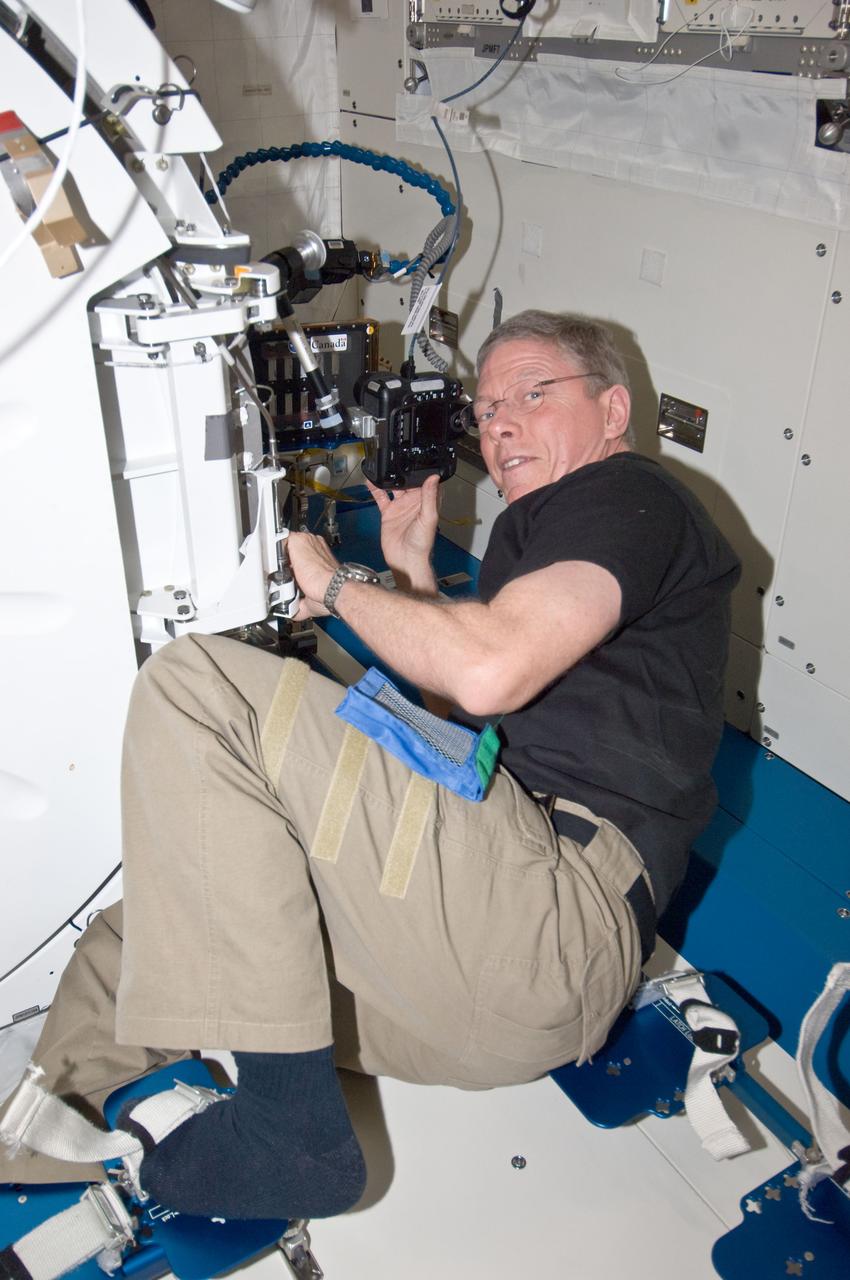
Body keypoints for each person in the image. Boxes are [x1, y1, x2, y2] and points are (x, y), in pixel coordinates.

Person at [0, 311, 740, 1222]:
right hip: (472, 996)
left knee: (197, 685)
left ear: (614, 407)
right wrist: (412, 573)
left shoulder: (635, 498)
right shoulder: (534, 544)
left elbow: (487, 666)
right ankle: (53, 1141)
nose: (499, 423)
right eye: (487, 406)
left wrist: (336, 586)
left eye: (533, 394)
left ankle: (286, 1128)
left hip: (550, 924)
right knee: (154, 914)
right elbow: (471, 745)